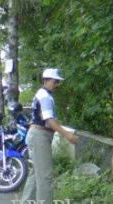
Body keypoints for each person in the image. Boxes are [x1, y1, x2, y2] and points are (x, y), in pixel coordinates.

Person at [21, 68, 78, 203]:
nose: (57, 85)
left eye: (58, 82)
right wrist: (68, 135)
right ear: (45, 80)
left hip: (37, 135)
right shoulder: (45, 97)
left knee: (36, 173)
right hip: (40, 136)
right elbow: (49, 121)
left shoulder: (43, 94)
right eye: (55, 81)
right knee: (45, 177)